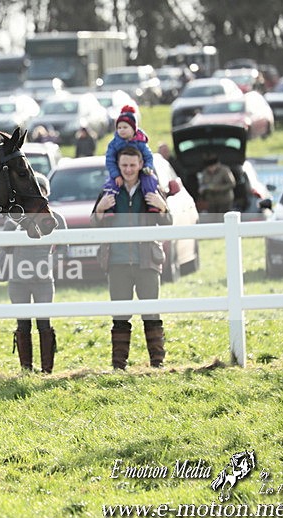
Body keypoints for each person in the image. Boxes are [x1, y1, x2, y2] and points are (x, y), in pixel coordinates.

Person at [91, 146, 172, 370]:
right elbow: (93, 223)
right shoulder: (108, 191)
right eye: (124, 165)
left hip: (146, 261)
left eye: (132, 165)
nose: (128, 169)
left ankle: (157, 363)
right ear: (118, 166)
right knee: (120, 315)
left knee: (151, 313)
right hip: (117, 263)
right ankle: (119, 365)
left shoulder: (152, 188)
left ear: (140, 165)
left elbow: (168, 223)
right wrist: (99, 209)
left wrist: (163, 207)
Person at [0, 173, 68, 374]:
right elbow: (4, 246)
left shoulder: (57, 219)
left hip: (44, 280)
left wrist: (49, 264)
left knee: (44, 322)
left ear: (47, 194)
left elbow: (64, 248)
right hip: (18, 280)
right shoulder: (14, 219)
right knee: (22, 323)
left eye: (41, 191)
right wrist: (15, 223)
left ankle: (47, 369)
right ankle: (26, 369)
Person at [103, 105, 158, 213]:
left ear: (134, 129)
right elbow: (109, 160)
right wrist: (116, 175)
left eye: (125, 127)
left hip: (143, 172)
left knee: (150, 180)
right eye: (119, 128)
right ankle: (109, 210)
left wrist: (148, 167)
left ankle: (152, 206)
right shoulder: (114, 143)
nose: (122, 130)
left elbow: (148, 156)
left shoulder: (140, 142)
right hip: (117, 175)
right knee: (111, 185)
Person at [198, 154, 236, 221]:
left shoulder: (225, 170)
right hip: (211, 201)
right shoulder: (204, 173)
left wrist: (217, 188)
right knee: (213, 220)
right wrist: (202, 189)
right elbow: (202, 184)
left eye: (212, 166)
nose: (211, 169)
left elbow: (232, 184)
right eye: (209, 167)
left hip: (225, 201)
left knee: (223, 219)